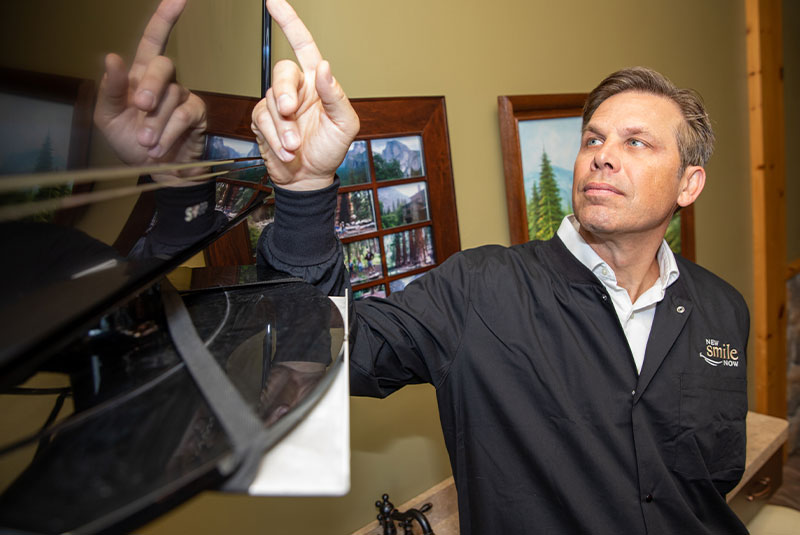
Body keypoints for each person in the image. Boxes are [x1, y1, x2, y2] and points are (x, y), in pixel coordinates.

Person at [251, 1, 749, 534]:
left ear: (688, 184)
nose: (603, 156)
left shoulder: (722, 309)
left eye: (636, 142)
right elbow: (311, 352)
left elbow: (712, 480)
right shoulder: (478, 292)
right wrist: (303, 193)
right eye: (593, 139)